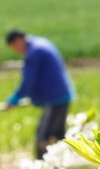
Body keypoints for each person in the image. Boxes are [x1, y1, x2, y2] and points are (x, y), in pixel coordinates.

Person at [5, 29, 76, 159]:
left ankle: (42, 168)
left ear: (18, 41)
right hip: (61, 95)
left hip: (55, 98)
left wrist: (14, 99)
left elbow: (29, 81)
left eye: (14, 47)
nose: (16, 51)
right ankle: (60, 167)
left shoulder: (34, 52)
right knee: (58, 134)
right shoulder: (41, 44)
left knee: (44, 135)